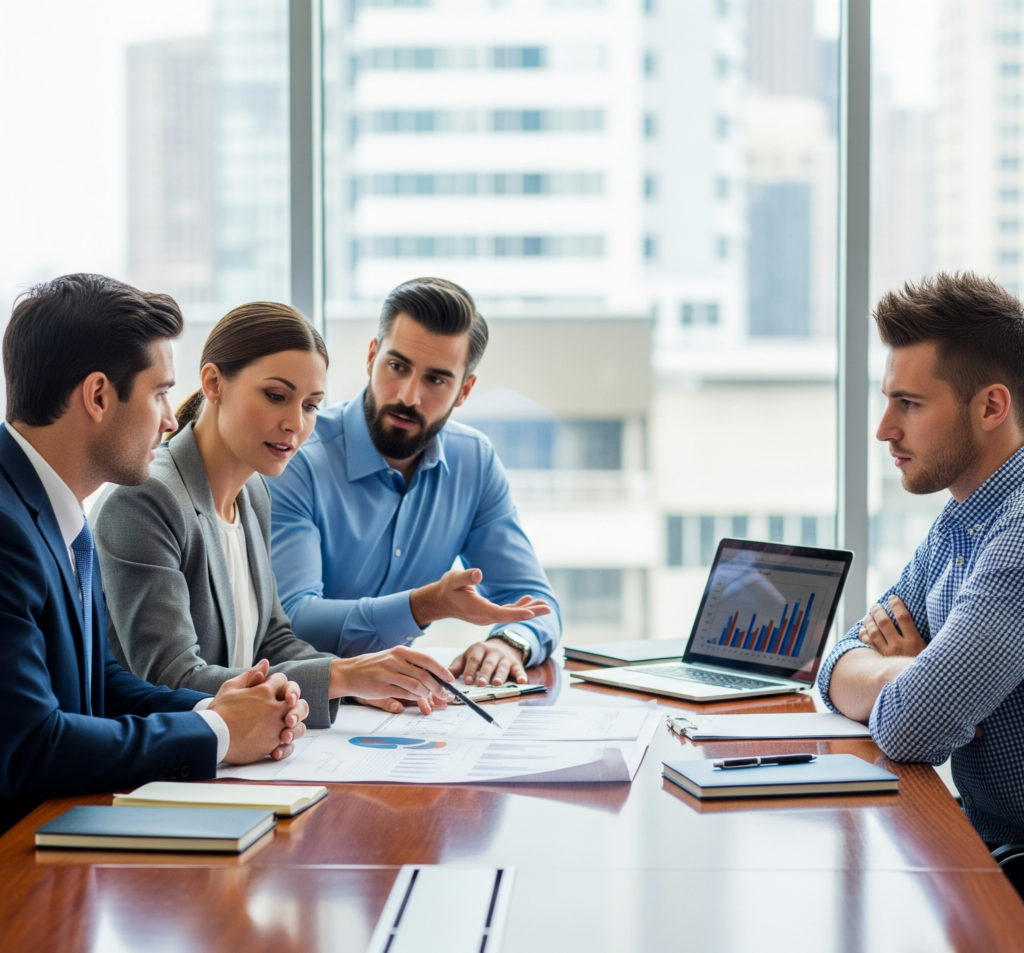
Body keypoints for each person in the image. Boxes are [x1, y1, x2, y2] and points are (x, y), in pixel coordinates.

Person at [0, 274, 308, 834]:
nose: (170, 418)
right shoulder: (6, 529)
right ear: (98, 396)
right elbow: (33, 744)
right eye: (160, 392)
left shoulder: (55, 510)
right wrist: (219, 734)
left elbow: (99, 683)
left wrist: (211, 709)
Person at [92, 302, 453, 726]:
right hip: (163, 755)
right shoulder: (147, 498)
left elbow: (272, 639)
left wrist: (355, 682)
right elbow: (172, 679)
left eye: (311, 405)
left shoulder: (254, 492)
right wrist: (342, 676)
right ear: (213, 383)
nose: (295, 424)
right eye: (276, 396)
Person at [269, 277, 560, 694]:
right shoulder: (296, 456)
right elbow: (292, 621)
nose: (409, 396)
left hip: (404, 706)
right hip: (304, 702)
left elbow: (531, 597)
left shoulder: (474, 461)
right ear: (372, 356)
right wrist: (425, 605)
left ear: (464, 391)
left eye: (436, 380)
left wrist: (510, 643)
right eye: (397, 367)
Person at [819, 272, 1024, 847]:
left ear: (991, 407)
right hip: (983, 842)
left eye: (909, 404)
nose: (884, 430)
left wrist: (919, 690)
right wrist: (913, 672)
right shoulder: (962, 520)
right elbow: (838, 661)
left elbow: (914, 726)